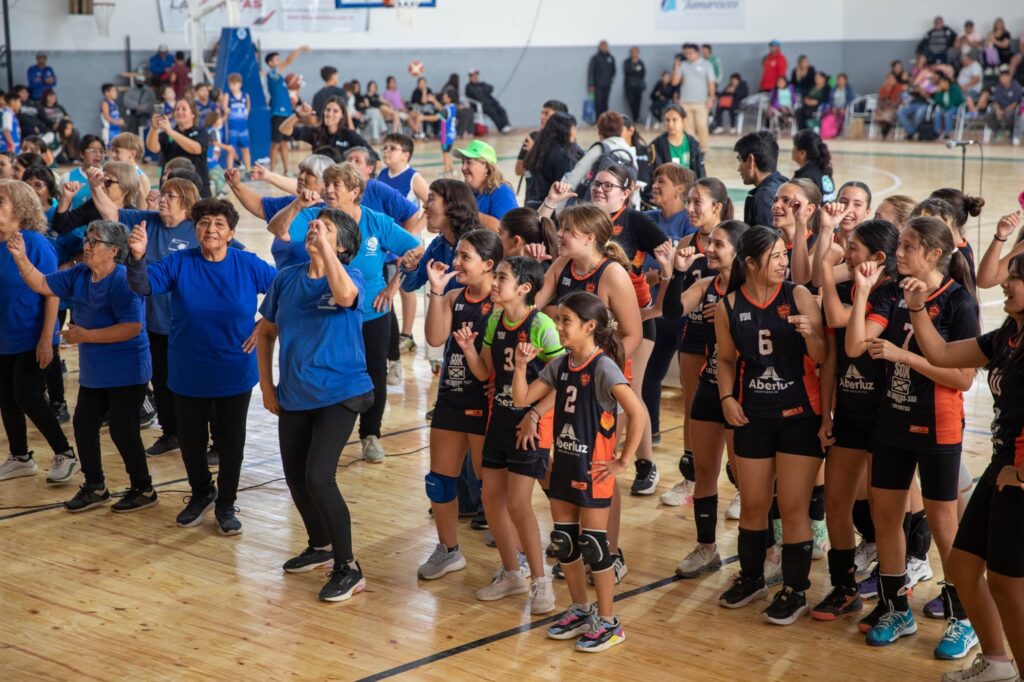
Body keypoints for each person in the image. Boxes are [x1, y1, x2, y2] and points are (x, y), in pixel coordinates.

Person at [845, 217, 980, 657]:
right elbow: (855, 346)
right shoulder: (891, 292)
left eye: (907, 246)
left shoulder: (959, 302)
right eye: (899, 245)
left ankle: (964, 618)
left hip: (939, 424)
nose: (898, 253)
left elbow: (962, 378)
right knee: (886, 516)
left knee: (944, 525)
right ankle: (896, 609)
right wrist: (862, 291)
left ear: (934, 254)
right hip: (892, 421)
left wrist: (905, 358)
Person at [908, 253, 1024, 682]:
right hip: (1002, 465)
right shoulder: (1009, 335)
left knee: (1007, 582)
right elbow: (941, 353)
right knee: (963, 564)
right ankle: (996, 662)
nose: (1004, 283)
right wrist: (917, 308)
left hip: (1019, 473)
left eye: (1016, 279)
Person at [127, 199, 275, 533]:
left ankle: (226, 504)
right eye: (205, 223)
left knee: (231, 444)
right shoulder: (179, 262)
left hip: (234, 371)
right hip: (188, 371)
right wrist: (136, 257)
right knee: (192, 443)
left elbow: (284, 291)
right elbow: (142, 285)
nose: (211, 229)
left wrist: (264, 325)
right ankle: (202, 492)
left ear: (231, 233)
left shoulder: (247, 264)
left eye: (220, 224)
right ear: (196, 230)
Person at [513, 290, 648, 653]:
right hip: (564, 465)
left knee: (595, 547)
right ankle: (580, 610)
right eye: (558, 319)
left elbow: (638, 413)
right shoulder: (561, 365)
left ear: (589, 327)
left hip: (593, 472)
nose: (558, 326)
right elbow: (522, 399)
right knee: (564, 542)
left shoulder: (603, 367)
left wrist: (623, 460)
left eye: (565, 321)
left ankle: (609, 622)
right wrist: (521, 366)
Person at [267, 163, 421, 463]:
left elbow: (415, 250)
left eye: (336, 185)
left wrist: (392, 288)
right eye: (327, 184)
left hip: (370, 311)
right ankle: (324, 430)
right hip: (326, 313)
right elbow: (278, 229)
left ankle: (370, 434)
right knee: (326, 367)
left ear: (355, 191)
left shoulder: (377, 221)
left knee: (375, 373)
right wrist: (297, 203)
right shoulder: (315, 217)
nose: (329, 190)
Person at [256, 208, 373, 602]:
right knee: (295, 477)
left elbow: (344, 296)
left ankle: (348, 568)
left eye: (327, 228)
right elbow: (266, 332)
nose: (314, 229)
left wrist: (325, 246)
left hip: (341, 392)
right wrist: (267, 387)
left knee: (319, 477)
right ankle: (320, 545)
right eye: (314, 225)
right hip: (294, 393)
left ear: (342, 246)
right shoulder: (286, 278)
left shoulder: (352, 277)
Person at [715, 225, 827, 625]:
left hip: (800, 416)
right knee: (753, 505)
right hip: (753, 416)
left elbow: (823, 355)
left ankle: (795, 590)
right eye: (775, 256)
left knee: (793, 507)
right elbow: (725, 359)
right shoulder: (728, 305)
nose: (783, 263)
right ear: (750, 263)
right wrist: (727, 398)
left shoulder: (798, 296)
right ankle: (752, 578)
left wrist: (810, 335)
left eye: (784, 255)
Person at [8, 219, 155, 512]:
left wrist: (86, 335)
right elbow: (42, 283)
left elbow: (131, 327)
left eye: (93, 241)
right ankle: (95, 486)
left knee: (123, 431)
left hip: (127, 370)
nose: (86, 245)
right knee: (84, 425)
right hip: (95, 371)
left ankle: (144, 488)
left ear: (114, 250)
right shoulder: (80, 273)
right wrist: (21, 257)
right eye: (86, 239)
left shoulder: (124, 281)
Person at [455, 255, 563, 612]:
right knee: (491, 499)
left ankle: (541, 581)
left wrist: (535, 414)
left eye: (502, 277)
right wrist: (468, 350)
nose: (495, 282)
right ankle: (513, 572)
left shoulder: (542, 325)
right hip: (500, 420)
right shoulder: (494, 319)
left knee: (518, 503)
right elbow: (484, 372)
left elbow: (563, 379)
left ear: (524, 288)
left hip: (531, 424)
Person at [809, 219, 900, 621]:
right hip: (848, 411)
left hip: (885, 416)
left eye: (853, 248)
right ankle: (844, 588)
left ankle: (892, 596)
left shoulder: (891, 295)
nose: (846, 253)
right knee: (835, 501)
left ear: (878, 257)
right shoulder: (848, 289)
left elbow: (841, 323)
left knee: (884, 510)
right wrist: (826, 412)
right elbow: (831, 359)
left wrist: (826, 271)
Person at [416, 229, 502, 580]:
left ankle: (516, 557)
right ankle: (448, 550)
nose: (456, 262)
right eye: (457, 255)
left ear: (488, 264)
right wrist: (436, 291)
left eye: (466, 257)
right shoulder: (453, 297)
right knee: (438, 482)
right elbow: (435, 338)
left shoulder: (501, 302)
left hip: (485, 405)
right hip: (451, 398)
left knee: (492, 491)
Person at [666, 220, 749, 577]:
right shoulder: (705, 285)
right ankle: (706, 548)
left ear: (738, 252)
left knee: (745, 477)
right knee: (704, 472)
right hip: (709, 386)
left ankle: (764, 551)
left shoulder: (753, 292)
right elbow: (672, 311)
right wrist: (676, 272)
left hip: (743, 393)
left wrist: (732, 320)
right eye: (709, 242)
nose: (709, 249)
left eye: (718, 244)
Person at [656, 176, 730, 507]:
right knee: (692, 406)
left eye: (697, 201)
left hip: (729, 337)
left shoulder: (733, 239)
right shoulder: (687, 241)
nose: (690, 208)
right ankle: (691, 477)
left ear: (717, 206)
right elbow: (672, 299)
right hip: (695, 331)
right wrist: (668, 271)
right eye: (688, 201)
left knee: (731, 406)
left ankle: (739, 485)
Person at [0, 179, 77, 483]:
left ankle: (65, 454)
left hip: (33, 336)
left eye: (1, 200)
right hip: (4, 337)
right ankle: (20, 457)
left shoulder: (35, 243)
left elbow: (52, 293)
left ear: (20, 209)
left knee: (28, 395)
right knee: (6, 397)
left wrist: (47, 339)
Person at [147, 98, 210, 199]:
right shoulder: (167, 133)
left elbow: (196, 149)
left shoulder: (201, 131)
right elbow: (153, 148)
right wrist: (154, 127)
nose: (179, 112)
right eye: (177, 109)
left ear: (193, 114)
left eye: (184, 109)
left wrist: (171, 132)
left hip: (196, 186)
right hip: (170, 187)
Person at [265, 46, 312, 174]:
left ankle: (286, 170)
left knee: (285, 143)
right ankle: (272, 170)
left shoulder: (282, 80)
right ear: (270, 63)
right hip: (277, 113)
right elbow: (288, 61)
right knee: (275, 143)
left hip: (288, 113)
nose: (279, 61)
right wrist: (300, 48)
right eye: (276, 59)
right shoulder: (272, 74)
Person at [454, 140, 517, 231]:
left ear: (487, 167)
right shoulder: (467, 194)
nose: (463, 167)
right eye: (462, 162)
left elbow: (505, 230)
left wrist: (467, 212)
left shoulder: (502, 192)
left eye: (469, 162)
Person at [523, 112, 579, 210]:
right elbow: (566, 188)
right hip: (549, 209)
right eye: (574, 127)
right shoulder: (562, 156)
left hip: (531, 206)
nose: (576, 131)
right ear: (565, 130)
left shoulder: (537, 149)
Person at [280, 97, 370, 156]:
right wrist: (297, 115)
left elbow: (371, 154)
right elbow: (283, 129)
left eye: (335, 111)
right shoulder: (315, 132)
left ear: (342, 115)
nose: (330, 114)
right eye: (328, 110)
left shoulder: (349, 135)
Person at [735, 131, 788, 228]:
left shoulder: (765, 197)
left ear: (750, 160)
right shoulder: (784, 183)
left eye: (740, 160)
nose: (738, 168)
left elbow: (767, 236)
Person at [671, 43, 715, 150]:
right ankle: (691, 149)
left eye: (690, 53)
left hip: (701, 102)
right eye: (686, 53)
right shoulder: (683, 65)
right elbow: (674, 82)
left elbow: (711, 82)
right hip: (685, 101)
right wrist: (676, 67)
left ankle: (703, 149)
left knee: (701, 126)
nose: (688, 55)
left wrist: (711, 98)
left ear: (697, 53)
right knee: (687, 128)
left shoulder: (706, 64)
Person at [650, 103, 706, 179]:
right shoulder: (656, 145)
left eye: (674, 120)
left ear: (684, 121)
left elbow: (701, 173)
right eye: (667, 120)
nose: (670, 124)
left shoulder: (694, 144)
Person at [980, 66, 1023, 143]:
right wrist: (998, 110)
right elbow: (995, 101)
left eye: (1004, 77)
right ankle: (997, 131)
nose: (1002, 79)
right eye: (1000, 77)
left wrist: (1004, 111)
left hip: (1012, 110)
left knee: (1008, 115)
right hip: (1000, 108)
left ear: (1009, 77)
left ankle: (1009, 131)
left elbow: (1016, 102)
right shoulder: (998, 87)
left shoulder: (1016, 86)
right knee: (987, 116)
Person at [791, 129, 835, 202]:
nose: (792, 150)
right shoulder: (824, 170)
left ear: (802, 153)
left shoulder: (805, 177)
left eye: (794, 146)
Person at [221, 73, 252, 172]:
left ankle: (248, 170)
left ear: (240, 84)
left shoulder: (245, 95)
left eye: (234, 84)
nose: (232, 87)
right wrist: (227, 110)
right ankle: (230, 171)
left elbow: (248, 106)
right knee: (231, 150)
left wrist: (247, 111)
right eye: (230, 85)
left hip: (243, 126)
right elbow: (224, 107)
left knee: (246, 149)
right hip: (232, 127)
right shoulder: (227, 95)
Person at [110, 133, 153, 202]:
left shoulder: (141, 179)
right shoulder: (115, 174)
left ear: (132, 153)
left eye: (117, 151)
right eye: (112, 151)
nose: (113, 155)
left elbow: (144, 206)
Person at [588, 41, 617, 118]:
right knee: (598, 101)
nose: (604, 47)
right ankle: (598, 118)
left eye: (606, 46)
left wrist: (610, 79)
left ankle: (605, 119)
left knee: (605, 102)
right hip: (598, 84)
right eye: (603, 46)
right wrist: (591, 84)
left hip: (607, 84)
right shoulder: (595, 58)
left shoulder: (611, 58)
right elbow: (591, 71)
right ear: (600, 47)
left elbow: (614, 70)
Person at [874, 74, 907, 139]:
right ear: (887, 80)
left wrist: (889, 104)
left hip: (893, 108)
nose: (891, 81)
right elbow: (880, 100)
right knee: (878, 114)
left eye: (893, 79)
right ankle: (887, 132)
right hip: (883, 108)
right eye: (889, 79)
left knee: (887, 115)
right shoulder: (883, 88)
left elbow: (899, 100)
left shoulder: (899, 88)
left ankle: (884, 133)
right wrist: (882, 106)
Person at [932, 74, 965, 139]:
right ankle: (937, 132)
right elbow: (937, 102)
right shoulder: (942, 92)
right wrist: (938, 92)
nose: (940, 85)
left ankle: (948, 133)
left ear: (946, 82)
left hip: (956, 107)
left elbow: (954, 102)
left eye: (941, 83)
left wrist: (945, 110)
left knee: (947, 114)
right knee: (937, 113)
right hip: (946, 108)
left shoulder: (954, 89)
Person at [623, 47, 647, 122]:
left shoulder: (640, 62)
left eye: (636, 52)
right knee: (631, 101)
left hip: (638, 86)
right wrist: (635, 66)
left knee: (638, 102)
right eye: (633, 52)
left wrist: (635, 69)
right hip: (629, 86)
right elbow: (628, 72)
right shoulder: (627, 62)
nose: (634, 54)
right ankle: (635, 117)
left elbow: (642, 74)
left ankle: (637, 118)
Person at [99, 83, 125, 148]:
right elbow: (107, 117)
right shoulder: (105, 103)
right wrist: (118, 122)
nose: (116, 93)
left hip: (116, 129)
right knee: (108, 147)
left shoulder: (114, 103)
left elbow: (115, 117)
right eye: (113, 91)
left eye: (116, 91)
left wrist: (121, 121)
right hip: (109, 130)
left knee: (117, 147)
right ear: (107, 93)